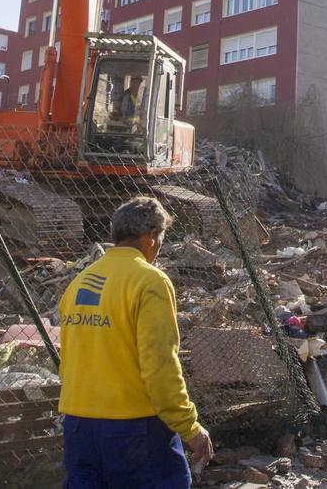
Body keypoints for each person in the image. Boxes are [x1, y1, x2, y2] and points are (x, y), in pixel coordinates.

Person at [58, 196, 213, 488]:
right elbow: (160, 366)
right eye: (161, 237)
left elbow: (69, 359)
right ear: (152, 237)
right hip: (134, 431)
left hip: (78, 427)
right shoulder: (150, 282)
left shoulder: (79, 283)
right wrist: (189, 427)